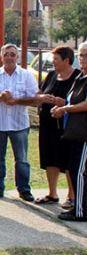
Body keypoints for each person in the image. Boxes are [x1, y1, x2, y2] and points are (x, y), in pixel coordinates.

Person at [0, 43, 39, 201]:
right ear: (1, 56)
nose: (9, 57)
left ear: (17, 57)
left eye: (12, 54)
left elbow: (35, 99)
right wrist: (0, 98)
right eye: (6, 54)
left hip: (19, 124)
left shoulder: (26, 76)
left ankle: (24, 189)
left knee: (21, 159)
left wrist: (16, 100)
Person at [34, 46, 78, 207]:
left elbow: (80, 101)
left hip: (68, 125)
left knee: (68, 159)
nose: (53, 62)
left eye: (56, 59)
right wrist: (43, 97)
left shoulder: (77, 77)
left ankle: (71, 196)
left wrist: (64, 103)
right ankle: (52, 194)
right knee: (49, 156)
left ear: (67, 60)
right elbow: (37, 94)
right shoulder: (52, 75)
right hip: (48, 123)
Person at [51, 43, 87, 221]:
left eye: (85, 56)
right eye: (80, 55)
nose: (82, 59)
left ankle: (80, 210)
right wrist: (62, 106)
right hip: (74, 131)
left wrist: (65, 109)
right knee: (74, 170)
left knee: (79, 172)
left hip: (84, 134)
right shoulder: (80, 77)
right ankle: (78, 206)